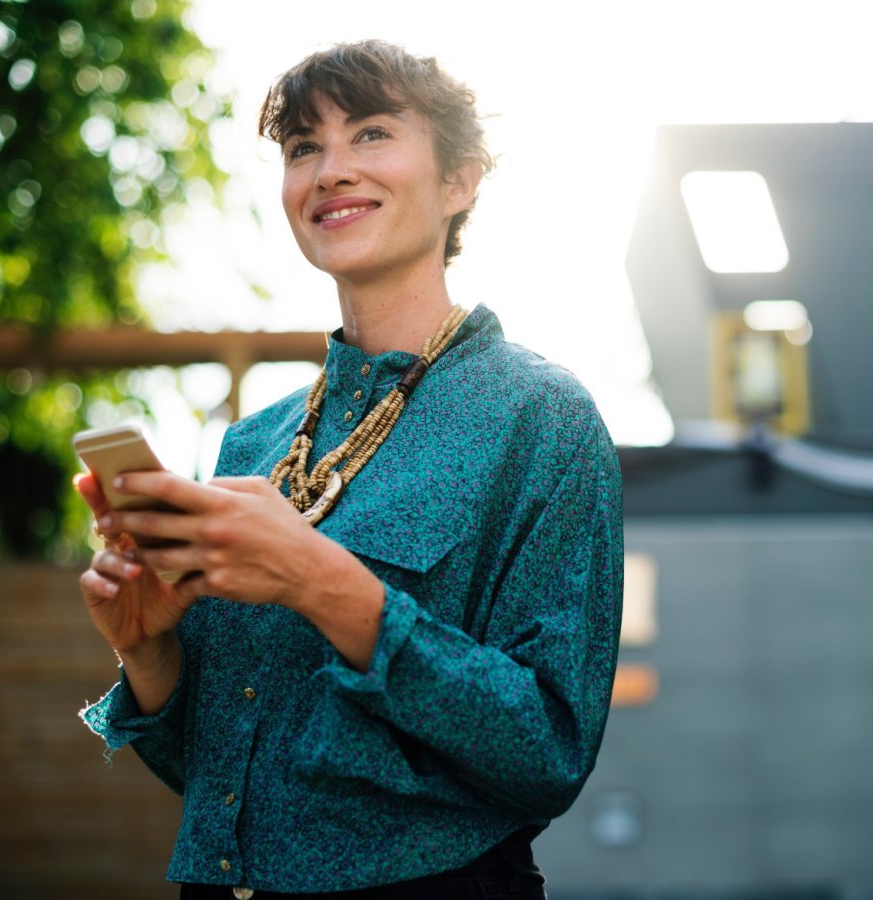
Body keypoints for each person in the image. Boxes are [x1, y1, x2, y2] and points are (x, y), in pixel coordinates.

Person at [77, 39, 623, 899]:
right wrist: (146, 650)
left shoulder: (543, 418)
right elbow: (216, 779)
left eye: (370, 134)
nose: (330, 169)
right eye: (303, 147)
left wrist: (321, 581)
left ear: (460, 180)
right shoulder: (251, 445)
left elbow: (550, 752)